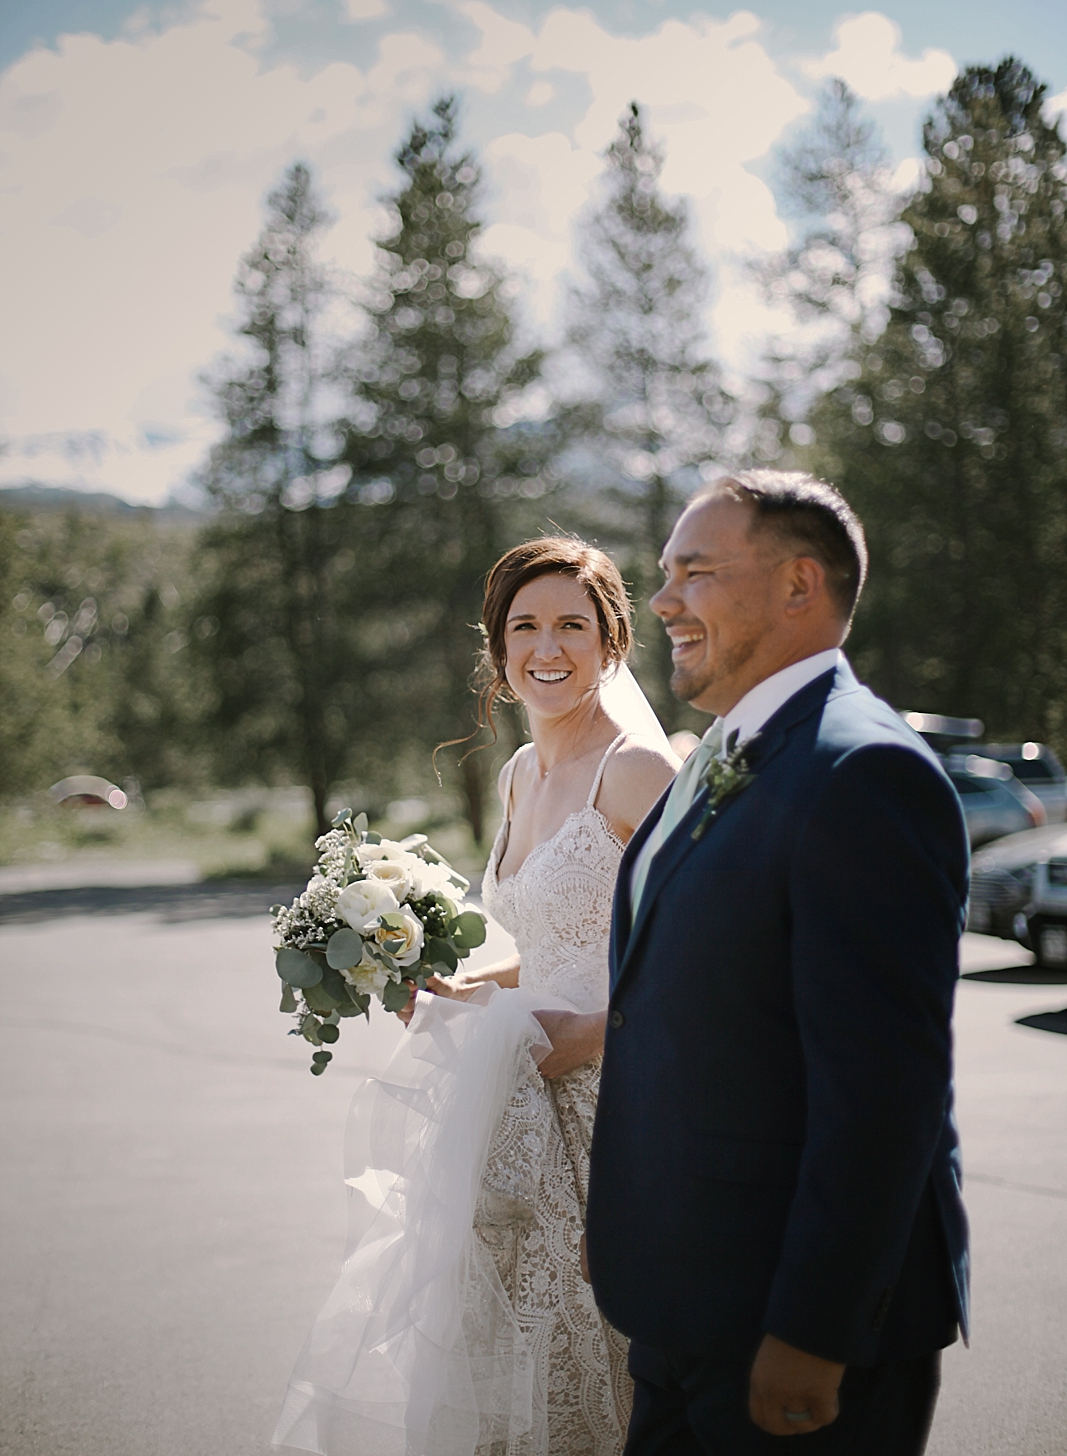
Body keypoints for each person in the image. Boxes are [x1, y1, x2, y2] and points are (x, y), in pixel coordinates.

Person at [586, 471, 970, 1456]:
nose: (662, 599)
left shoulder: (861, 772)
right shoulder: (724, 752)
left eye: (696, 572)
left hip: (786, 1324)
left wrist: (812, 1327)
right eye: (663, 573)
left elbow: (882, 1090)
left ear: (799, 585)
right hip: (683, 1305)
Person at [274, 536, 678, 1456]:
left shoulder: (637, 774)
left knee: (604, 1351)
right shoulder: (515, 775)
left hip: (612, 1104)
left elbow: (698, 956)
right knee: (502, 1349)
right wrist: (462, 986)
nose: (547, 646)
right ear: (496, 651)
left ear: (611, 644)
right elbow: (548, 949)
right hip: (507, 1099)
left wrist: (599, 1033)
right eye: (524, 626)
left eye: (572, 625)